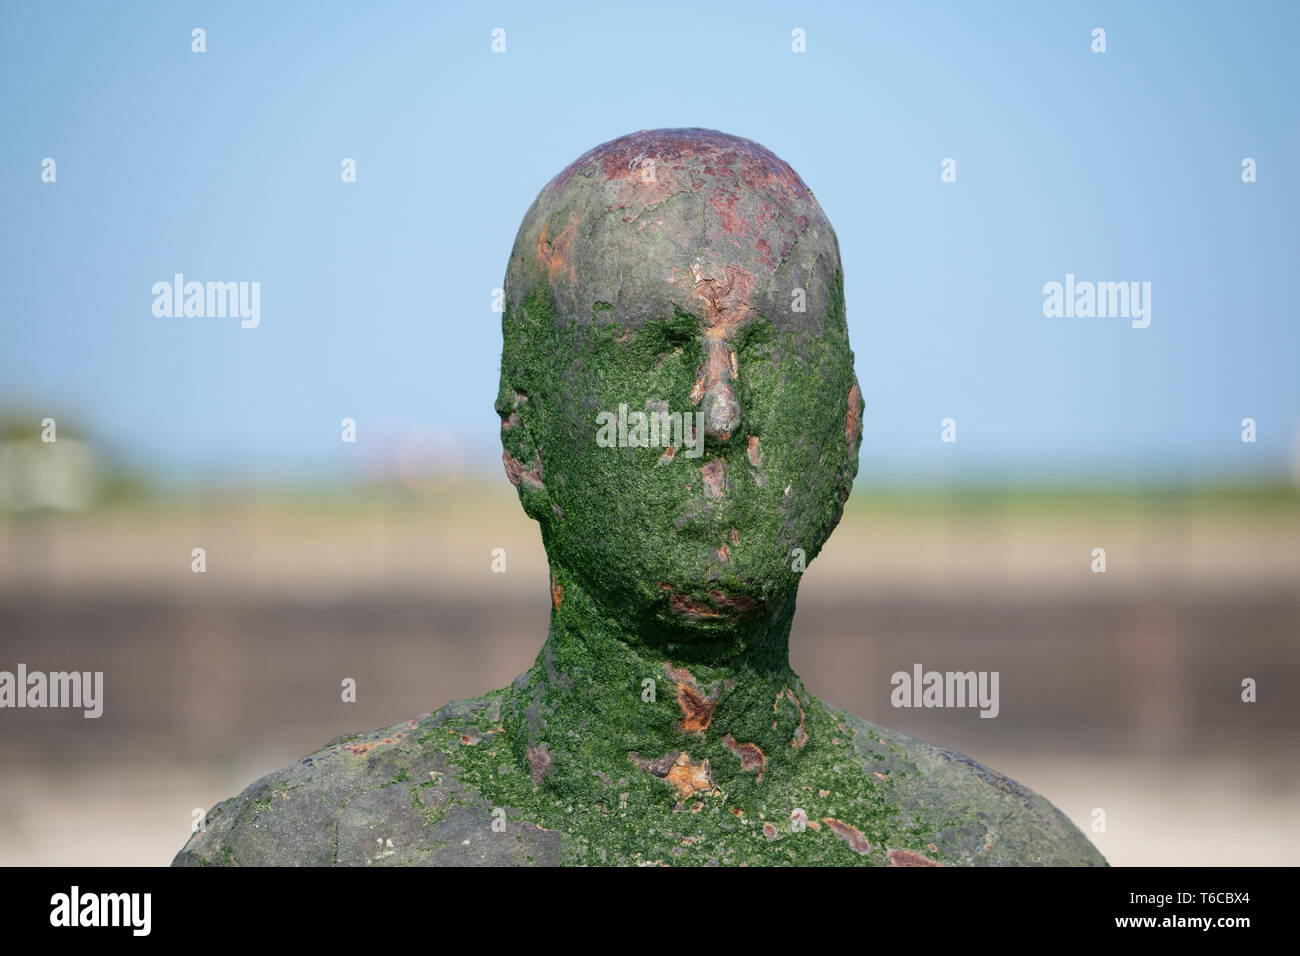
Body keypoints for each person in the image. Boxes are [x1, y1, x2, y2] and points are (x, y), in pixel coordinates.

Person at [174, 129, 1104, 866]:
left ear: (848, 426)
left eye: (771, 354)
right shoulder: (304, 848)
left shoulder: (1012, 855)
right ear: (525, 435)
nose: (721, 411)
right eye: (656, 352)